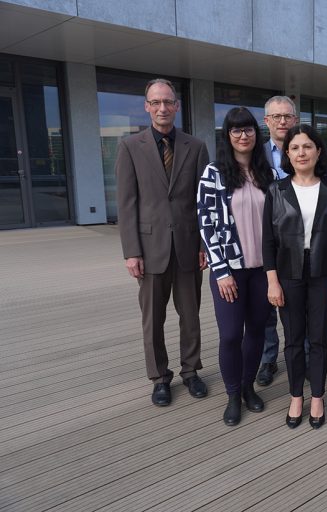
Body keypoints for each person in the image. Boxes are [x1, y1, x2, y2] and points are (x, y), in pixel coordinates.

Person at [116, 78, 210, 406]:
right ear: (146, 106)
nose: (162, 108)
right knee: (153, 319)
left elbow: (204, 201)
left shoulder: (195, 147)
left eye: (168, 102)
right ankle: (159, 377)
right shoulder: (130, 147)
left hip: (187, 247)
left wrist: (204, 245)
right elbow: (126, 203)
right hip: (149, 249)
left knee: (191, 316)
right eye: (155, 102)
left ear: (177, 106)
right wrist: (131, 252)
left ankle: (191, 371)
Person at [263, 124, 327, 430]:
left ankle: (317, 396)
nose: (302, 153)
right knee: (293, 339)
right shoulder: (276, 190)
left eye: (307, 146)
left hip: (325, 272)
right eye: (295, 147)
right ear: (287, 154)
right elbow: (267, 241)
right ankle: (295, 395)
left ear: (318, 151)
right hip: (287, 273)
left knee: (319, 338)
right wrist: (272, 281)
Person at [197, 107, 274, 426]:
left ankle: (247, 388)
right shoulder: (214, 172)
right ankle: (231, 395)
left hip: (262, 270)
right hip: (230, 270)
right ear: (227, 136)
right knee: (230, 334)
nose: (243, 136)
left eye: (249, 130)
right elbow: (206, 223)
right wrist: (221, 270)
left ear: (257, 134)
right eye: (236, 130)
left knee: (256, 331)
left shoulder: (265, 172)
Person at [257, 95, 299, 387]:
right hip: (268, 238)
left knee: (301, 304)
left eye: (287, 116)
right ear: (266, 121)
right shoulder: (254, 154)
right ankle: (268, 358)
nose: (282, 121)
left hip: (303, 241)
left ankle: (302, 355)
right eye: (276, 116)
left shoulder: (307, 149)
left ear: (295, 120)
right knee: (267, 304)